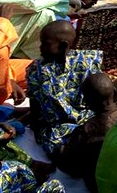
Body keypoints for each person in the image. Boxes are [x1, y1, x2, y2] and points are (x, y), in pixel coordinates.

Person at [26, 21, 102, 157]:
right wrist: (36, 126)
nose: (40, 48)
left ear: (63, 46)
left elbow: (99, 92)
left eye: (46, 44)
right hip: (56, 127)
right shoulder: (36, 70)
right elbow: (34, 102)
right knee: (57, 148)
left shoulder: (87, 62)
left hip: (88, 121)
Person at [58, 73, 117, 192]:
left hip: (99, 186)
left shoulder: (86, 131)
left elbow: (70, 166)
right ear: (115, 91)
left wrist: (60, 151)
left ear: (86, 101)